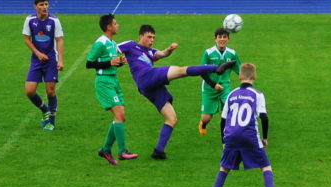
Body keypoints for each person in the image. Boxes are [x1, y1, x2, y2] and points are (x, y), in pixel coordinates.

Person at [117, 24, 235, 160]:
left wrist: (169, 50)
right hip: (146, 76)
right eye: (149, 37)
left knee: (172, 118)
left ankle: (158, 151)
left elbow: (162, 54)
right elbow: (113, 49)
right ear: (141, 36)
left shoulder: (150, 51)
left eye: (153, 38)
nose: (152, 40)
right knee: (181, 71)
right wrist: (115, 60)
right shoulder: (131, 45)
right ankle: (216, 68)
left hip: (150, 87)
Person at [208, 62, 289, 187]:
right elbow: (264, 118)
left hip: (231, 136)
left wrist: (223, 141)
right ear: (254, 76)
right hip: (249, 135)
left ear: (239, 76)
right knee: (265, 166)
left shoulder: (231, 94)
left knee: (224, 168)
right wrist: (264, 138)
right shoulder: (257, 95)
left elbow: (223, 120)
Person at [86, 13, 138, 165]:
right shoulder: (100, 43)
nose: (118, 25)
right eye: (115, 24)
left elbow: (112, 62)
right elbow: (89, 63)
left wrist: (121, 62)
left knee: (121, 117)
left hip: (114, 81)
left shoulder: (113, 44)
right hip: (104, 82)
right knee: (120, 115)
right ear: (108, 27)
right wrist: (109, 62)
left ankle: (105, 149)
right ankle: (122, 151)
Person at [22, 0, 64, 131]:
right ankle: (44, 109)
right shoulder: (29, 20)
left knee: (50, 91)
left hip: (51, 59)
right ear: (35, 7)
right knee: (29, 91)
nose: (44, 7)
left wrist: (61, 60)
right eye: (41, 5)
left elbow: (59, 40)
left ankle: (51, 120)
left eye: (46, 4)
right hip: (36, 59)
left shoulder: (54, 21)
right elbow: (27, 39)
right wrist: (38, 54)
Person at [198, 28, 241, 136]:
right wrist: (213, 84)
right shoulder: (208, 53)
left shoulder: (232, 54)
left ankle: (228, 134)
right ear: (215, 39)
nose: (222, 39)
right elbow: (202, 72)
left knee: (230, 110)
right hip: (209, 88)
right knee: (207, 118)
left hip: (224, 87)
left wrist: (246, 80)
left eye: (224, 37)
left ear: (228, 39)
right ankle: (203, 123)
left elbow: (240, 71)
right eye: (219, 37)